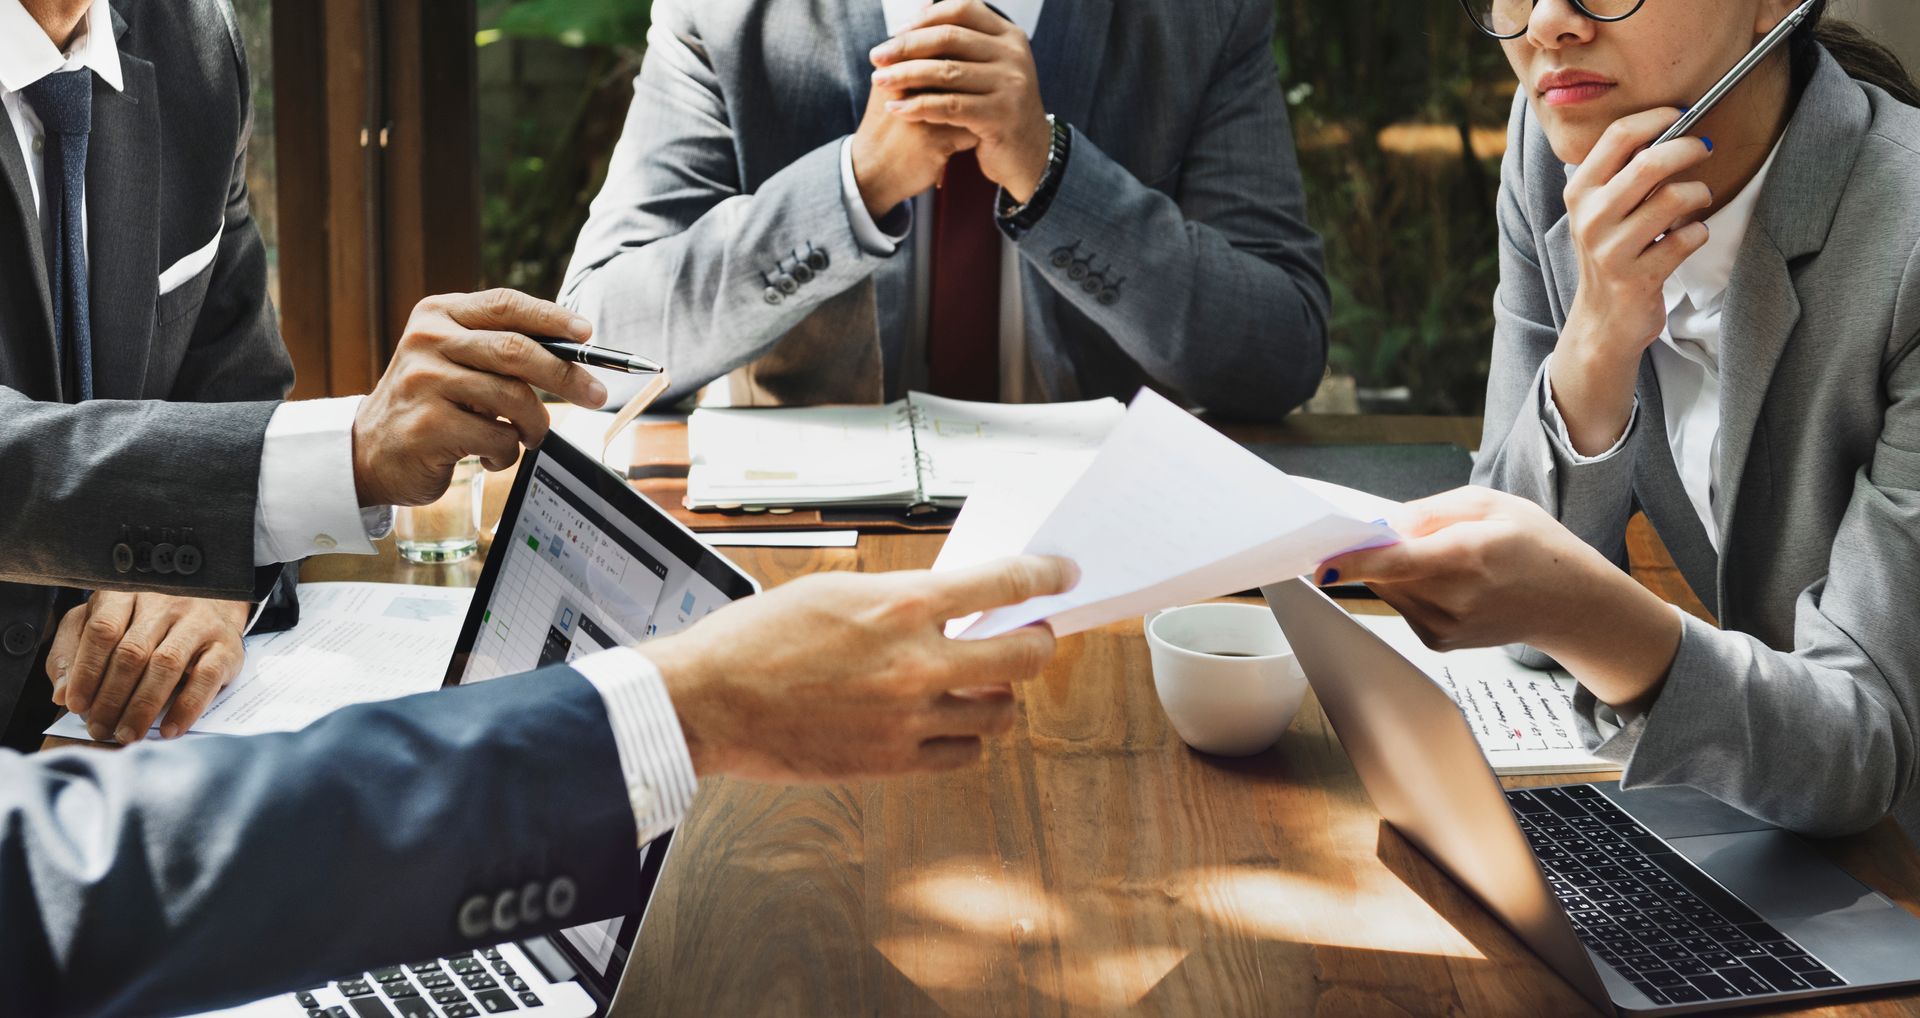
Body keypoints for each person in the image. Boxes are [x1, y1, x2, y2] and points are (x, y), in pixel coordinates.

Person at [1316, 0, 1920, 839]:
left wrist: (1580, 614)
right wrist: (1597, 341)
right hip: (1774, 833)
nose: (1548, 22)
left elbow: (1868, 748)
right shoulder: (1555, 142)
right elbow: (1516, 620)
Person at [559, 0, 1329, 420]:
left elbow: (1278, 354)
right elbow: (597, 351)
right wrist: (853, 186)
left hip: (1103, 540)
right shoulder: (724, 16)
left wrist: (1051, 174)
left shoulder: (1203, 18)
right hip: (806, 559)